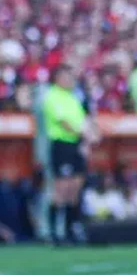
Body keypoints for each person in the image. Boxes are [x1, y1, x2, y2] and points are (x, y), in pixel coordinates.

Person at [42, 64, 93, 244]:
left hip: (76, 145)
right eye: (67, 77)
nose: (71, 80)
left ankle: (72, 230)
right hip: (62, 144)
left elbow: (83, 119)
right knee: (61, 190)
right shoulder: (53, 96)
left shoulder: (73, 97)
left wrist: (88, 135)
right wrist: (84, 134)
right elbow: (63, 122)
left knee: (75, 189)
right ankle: (54, 233)